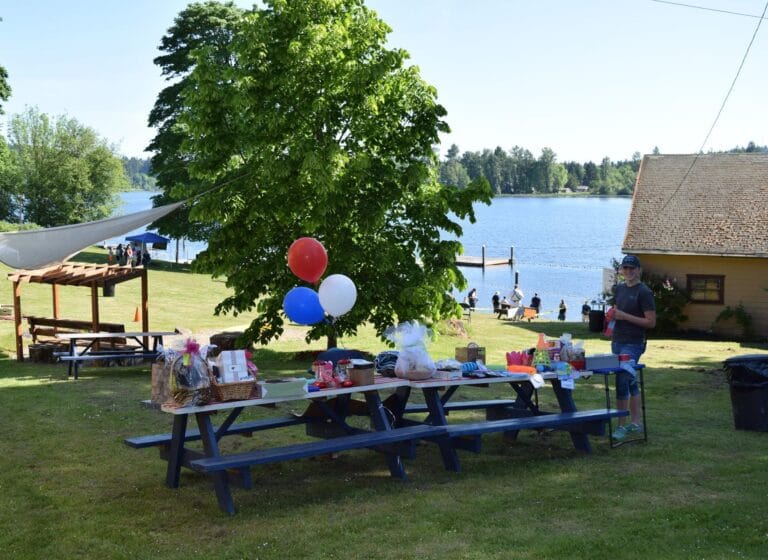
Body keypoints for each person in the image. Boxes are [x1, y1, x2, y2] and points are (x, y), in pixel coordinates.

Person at [610, 254, 656, 441]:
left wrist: (623, 316)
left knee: (622, 379)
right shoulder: (619, 289)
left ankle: (622, 425)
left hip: (634, 343)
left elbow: (651, 322)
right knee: (629, 380)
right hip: (617, 341)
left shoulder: (644, 292)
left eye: (632, 268)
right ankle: (635, 422)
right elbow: (617, 312)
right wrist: (611, 318)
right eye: (625, 268)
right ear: (621, 270)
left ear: (638, 270)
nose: (628, 271)